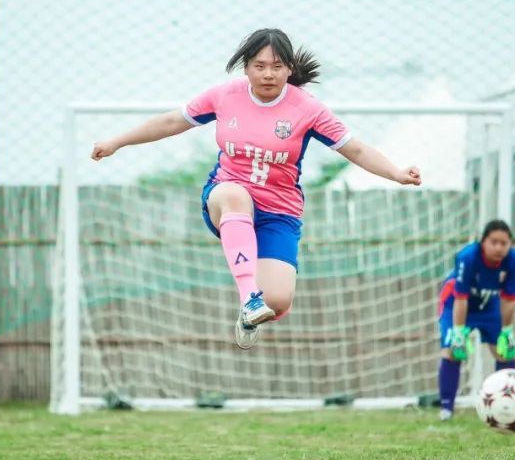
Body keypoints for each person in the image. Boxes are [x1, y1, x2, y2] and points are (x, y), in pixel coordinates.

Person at [92, 28, 422, 348]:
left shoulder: (308, 109)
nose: (268, 74)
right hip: (226, 197)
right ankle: (249, 297)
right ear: (246, 67)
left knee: (276, 301)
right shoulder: (224, 96)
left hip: (278, 212)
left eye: (276, 66)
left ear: (289, 69)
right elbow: (171, 121)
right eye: (259, 66)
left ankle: (252, 312)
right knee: (234, 194)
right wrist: (117, 141)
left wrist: (396, 173)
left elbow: (356, 149)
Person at [435, 219, 515, 420]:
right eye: (494, 242)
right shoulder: (468, 257)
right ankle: (446, 408)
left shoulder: (513, 260)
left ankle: (507, 405)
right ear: (483, 242)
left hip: (488, 304)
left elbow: (509, 299)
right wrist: (459, 332)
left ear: (510, 244)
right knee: (452, 351)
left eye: (504, 243)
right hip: (456, 303)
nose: (499, 248)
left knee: (505, 351)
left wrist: (507, 330)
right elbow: (461, 298)